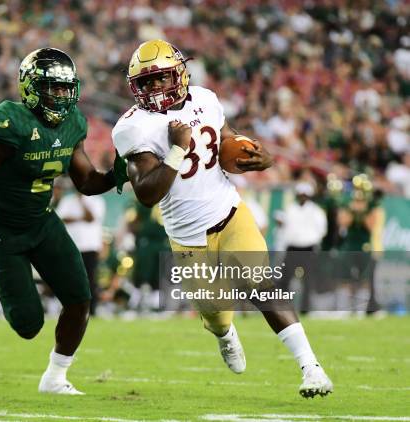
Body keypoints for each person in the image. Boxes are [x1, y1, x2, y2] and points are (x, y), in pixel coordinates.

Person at [112, 39, 333, 398]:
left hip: (229, 213)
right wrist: (179, 149)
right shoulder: (132, 127)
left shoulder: (206, 99)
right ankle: (225, 336)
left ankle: (311, 367)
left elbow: (227, 141)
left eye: (162, 78)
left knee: (263, 285)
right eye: (147, 82)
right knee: (218, 315)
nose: (154, 88)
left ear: (180, 75)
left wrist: (255, 156)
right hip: (187, 236)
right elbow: (148, 193)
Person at [0, 48, 122, 395]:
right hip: (1, 228)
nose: (61, 95)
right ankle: (11, 287)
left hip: (43, 222)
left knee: (79, 298)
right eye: (52, 88)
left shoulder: (74, 123)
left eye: (65, 88)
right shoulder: (10, 121)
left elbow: (87, 182)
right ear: (31, 87)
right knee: (29, 325)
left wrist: (122, 173)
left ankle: (55, 377)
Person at [276, 182, 328, 313]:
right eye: (300, 195)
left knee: (307, 280)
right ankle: (283, 307)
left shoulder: (316, 211)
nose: (302, 197)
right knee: (285, 279)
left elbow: (322, 230)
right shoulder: (290, 209)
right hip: (292, 247)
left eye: (305, 195)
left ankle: (305, 309)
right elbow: (284, 229)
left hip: (308, 248)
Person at [56, 187, 106, 316]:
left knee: (90, 279)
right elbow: (61, 219)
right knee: (71, 279)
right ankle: (71, 309)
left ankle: (92, 310)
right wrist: (80, 218)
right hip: (72, 246)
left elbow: (91, 218)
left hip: (90, 246)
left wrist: (82, 202)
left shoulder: (97, 201)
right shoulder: (67, 201)